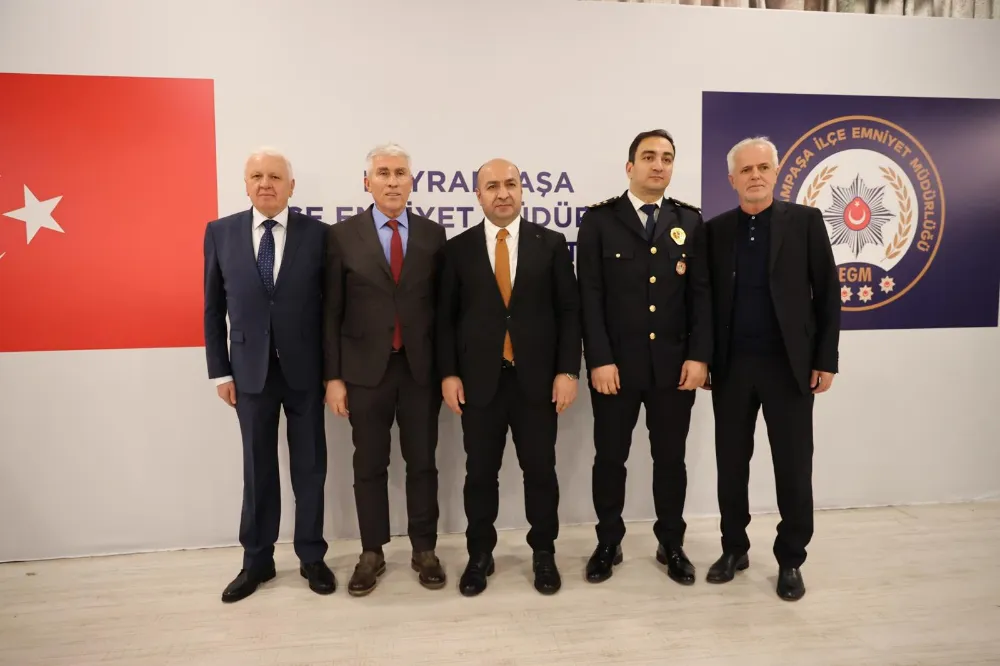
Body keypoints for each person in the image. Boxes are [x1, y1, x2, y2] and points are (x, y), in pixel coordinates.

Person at [702, 136, 840, 601]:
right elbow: (704, 302)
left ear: (777, 172)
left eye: (763, 167)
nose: (755, 175)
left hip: (790, 368)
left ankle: (791, 559)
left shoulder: (805, 222)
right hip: (732, 368)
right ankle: (733, 549)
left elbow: (828, 294)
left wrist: (825, 359)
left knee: (794, 468)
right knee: (731, 465)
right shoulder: (716, 230)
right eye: (746, 170)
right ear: (732, 179)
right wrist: (705, 360)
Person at [436, 158, 581, 597]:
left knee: (540, 472)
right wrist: (449, 373)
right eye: (492, 186)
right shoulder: (457, 249)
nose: (503, 193)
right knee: (480, 474)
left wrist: (568, 370)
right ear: (478, 195)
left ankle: (544, 553)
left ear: (522, 190)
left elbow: (569, 311)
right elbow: (445, 320)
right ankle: (480, 554)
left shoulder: (550, 243)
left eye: (511, 184)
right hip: (480, 383)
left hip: (536, 382)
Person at [576, 129, 712, 586]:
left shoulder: (689, 220)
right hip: (616, 367)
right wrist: (599, 359)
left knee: (671, 460)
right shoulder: (600, 220)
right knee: (610, 459)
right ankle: (608, 542)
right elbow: (589, 296)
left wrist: (699, 356)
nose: (659, 165)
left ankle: (671, 542)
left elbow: (701, 296)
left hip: (673, 368)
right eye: (649, 156)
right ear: (630, 166)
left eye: (667, 158)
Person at [204, 147, 334, 602]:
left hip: (306, 372)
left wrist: (332, 371)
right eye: (257, 176)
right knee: (257, 469)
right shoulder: (220, 232)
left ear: (291, 186)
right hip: (248, 373)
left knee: (310, 467)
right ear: (245, 185)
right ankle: (257, 561)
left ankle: (312, 556)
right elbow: (212, 308)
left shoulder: (319, 235)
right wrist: (220, 372)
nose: (266, 184)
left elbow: (331, 310)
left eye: (275, 177)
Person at [323, 143, 447, 597]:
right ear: (367, 182)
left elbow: (443, 312)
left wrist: (447, 371)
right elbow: (330, 312)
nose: (392, 181)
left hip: (419, 371)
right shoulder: (341, 237)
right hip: (363, 372)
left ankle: (424, 549)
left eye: (400, 173)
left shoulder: (433, 235)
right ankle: (371, 552)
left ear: (411, 181)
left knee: (423, 463)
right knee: (369, 465)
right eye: (383, 173)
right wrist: (333, 378)